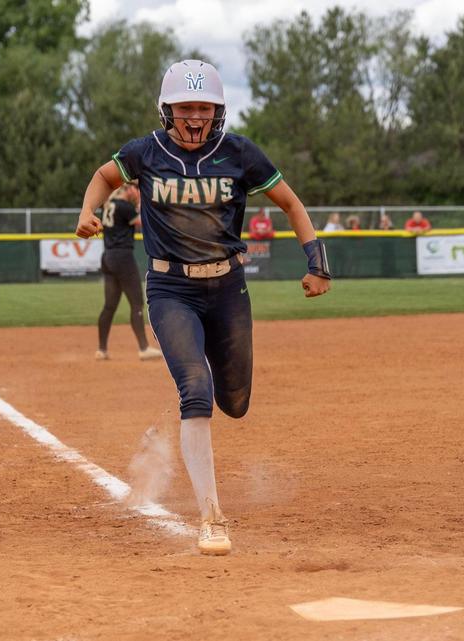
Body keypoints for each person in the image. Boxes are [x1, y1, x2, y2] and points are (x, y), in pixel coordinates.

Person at [75, 59, 330, 556]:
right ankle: (212, 517)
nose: (195, 117)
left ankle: (198, 418)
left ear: (218, 111)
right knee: (196, 388)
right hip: (170, 290)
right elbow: (104, 176)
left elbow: (292, 204)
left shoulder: (239, 153)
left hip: (228, 289)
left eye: (204, 108)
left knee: (234, 402)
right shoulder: (145, 152)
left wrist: (317, 262)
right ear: (168, 110)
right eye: (186, 108)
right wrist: (88, 210)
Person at [94, 182, 163, 362]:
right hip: (123, 257)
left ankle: (101, 350)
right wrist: (141, 203)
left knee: (109, 306)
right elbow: (143, 222)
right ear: (128, 188)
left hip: (108, 256)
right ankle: (143, 348)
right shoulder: (125, 206)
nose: (138, 191)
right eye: (136, 188)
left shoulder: (108, 205)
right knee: (137, 303)